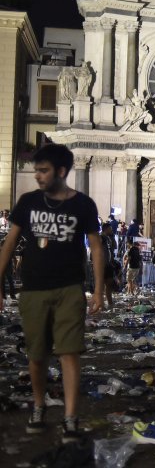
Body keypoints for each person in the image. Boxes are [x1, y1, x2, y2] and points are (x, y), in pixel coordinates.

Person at [0, 143, 105, 443]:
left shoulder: (83, 205)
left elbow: (96, 247)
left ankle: (71, 418)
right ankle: (39, 405)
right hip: (33, 289)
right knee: (36, 355)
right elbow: (9, 244)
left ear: (61, 171)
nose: (38, 176)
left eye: (44, 171)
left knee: (69, 353)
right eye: (36, 170)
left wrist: (97, 290)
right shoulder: (28, 202)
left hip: (70, 288)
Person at [99, 222, 119, 309]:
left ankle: (109, 303)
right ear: (106, 229)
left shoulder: (108, 238)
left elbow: (115, 246)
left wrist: (113, 237)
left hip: (109, 264)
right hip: (102, 265)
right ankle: (102, 304)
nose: (111, 230)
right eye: (110, 229)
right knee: (103, 284)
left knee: (109, 284)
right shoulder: (101, 237)